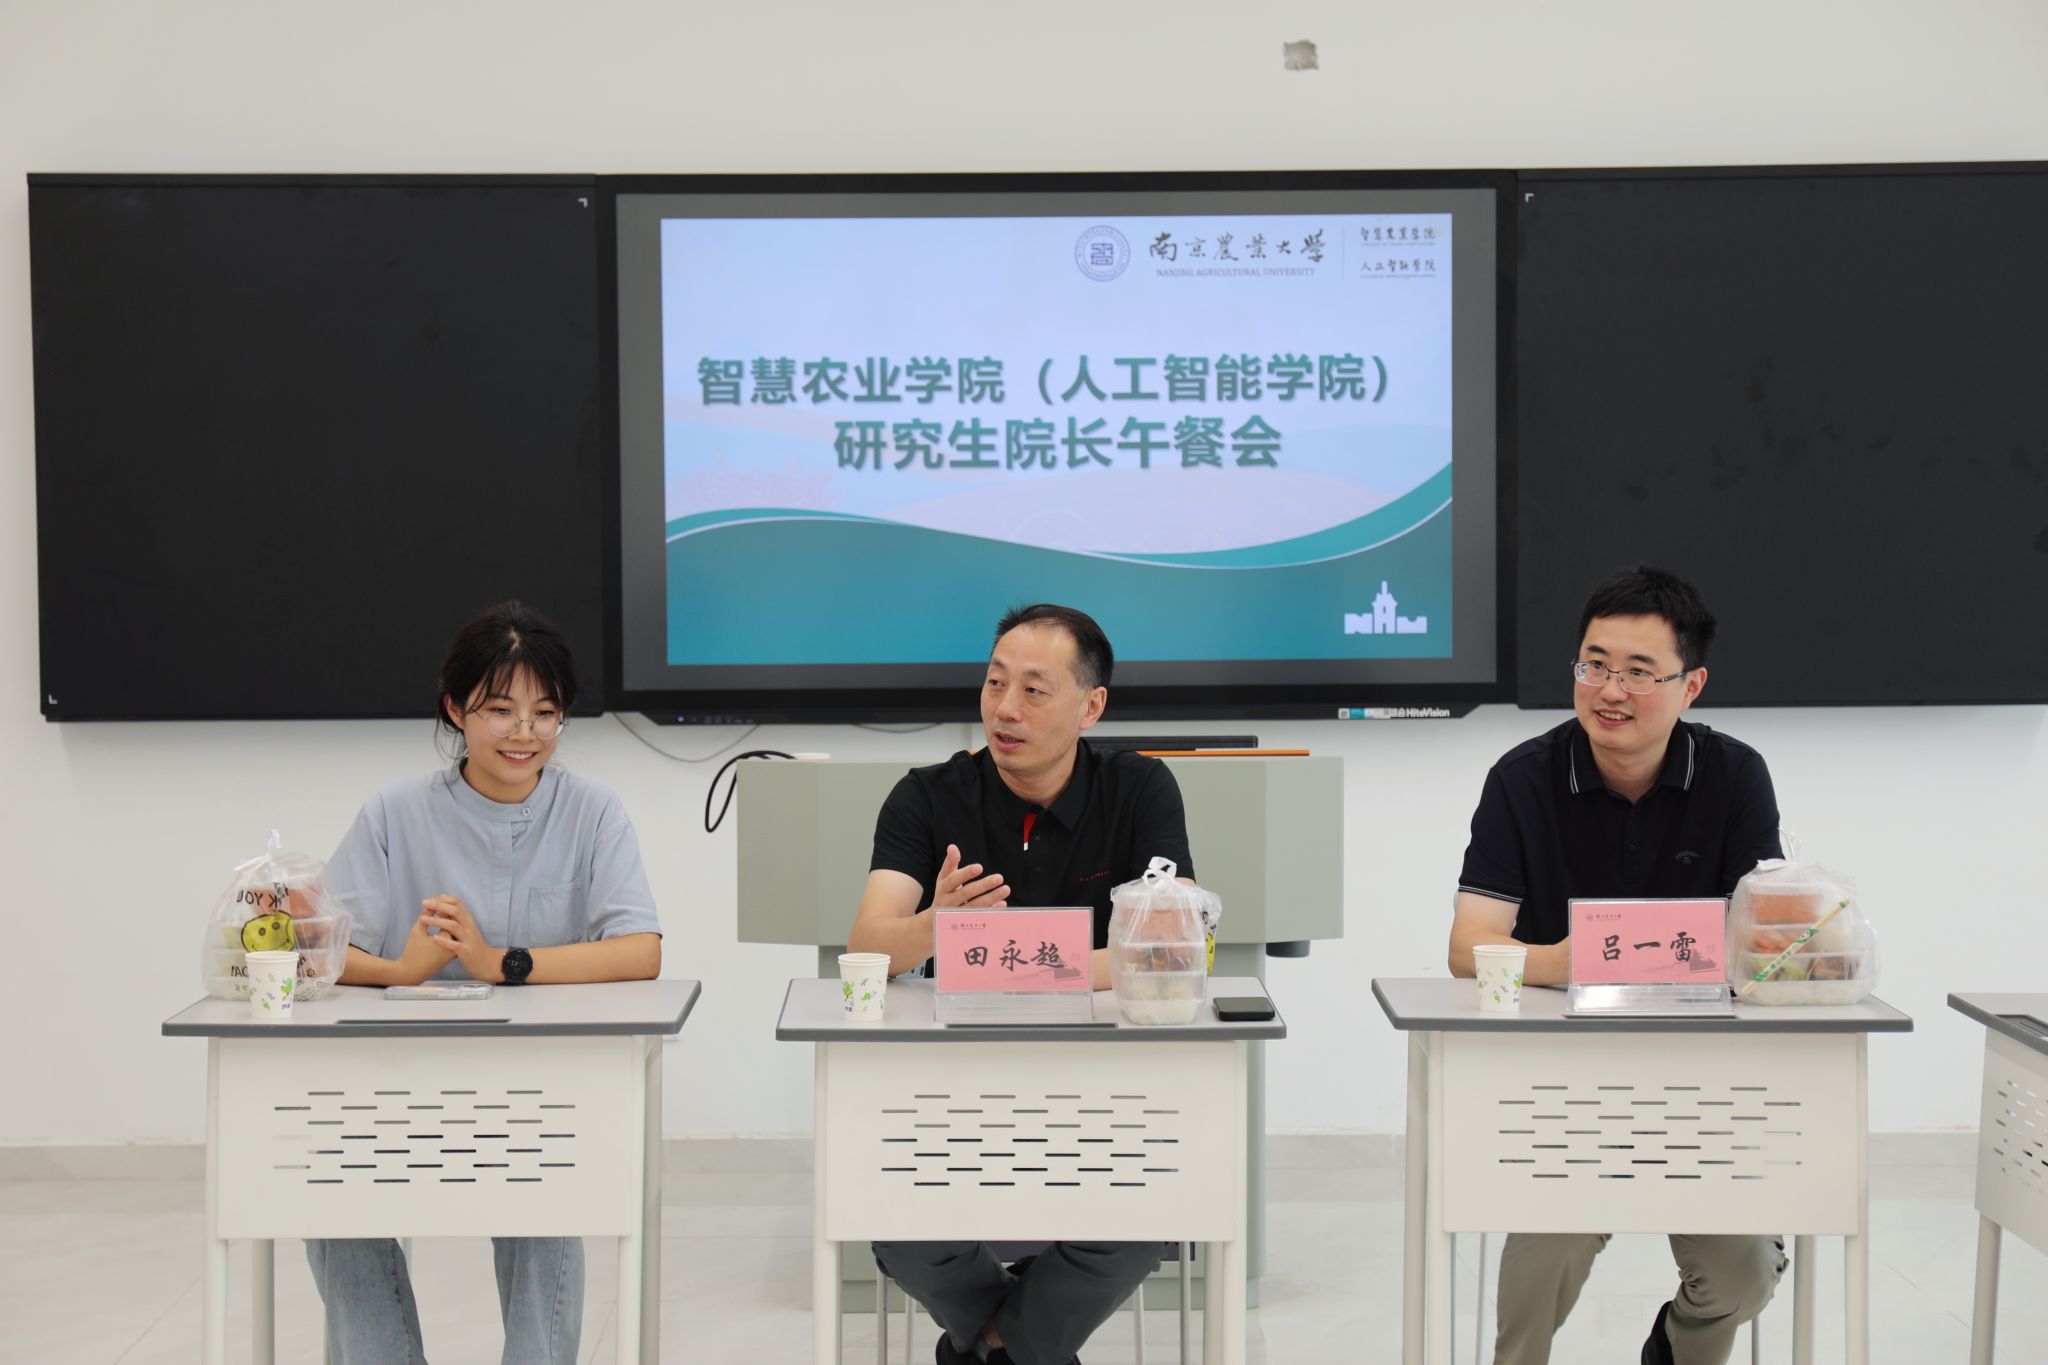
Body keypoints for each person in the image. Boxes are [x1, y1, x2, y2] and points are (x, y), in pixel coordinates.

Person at [305, 601, 662, 1365]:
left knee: (545, 1194)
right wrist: (401, 971)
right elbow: (318, 951)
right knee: (327, 1187)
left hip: (536, 1088)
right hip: (397, 1082)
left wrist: (503, 961)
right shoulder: (397, 810)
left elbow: (640, 950)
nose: (524, 732)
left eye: (545, 712)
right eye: (500, 709)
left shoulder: (591, 809)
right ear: (455, 709)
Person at [1448, 566, 1786, 1365]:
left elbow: (1763, 944)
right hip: (1566, 1082)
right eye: (1594, 664)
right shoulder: (1523, 778)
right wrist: (1564, 961)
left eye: (1639, 671)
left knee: (1742, 1273)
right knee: (1543, 1259)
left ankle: (1674, 1348)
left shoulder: (1736, 775)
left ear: (1690, 685)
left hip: (1705, 1085)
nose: (1610, 690)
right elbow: (1467, 946)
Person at [848, 602, 1193, 1365]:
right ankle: (1025, 1344)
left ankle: (989, 1347)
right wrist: (937, 926)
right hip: (950, 1100)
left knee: (1150, 1215)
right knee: (902, 1231)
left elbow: (1171, 947)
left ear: (1090, 706)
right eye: (995, 682)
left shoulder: (1139, 789)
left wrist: (993, 953)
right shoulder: (927, 795)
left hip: (1104, 1101)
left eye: (1034, 690)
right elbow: (868, 944)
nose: (1005, 708)